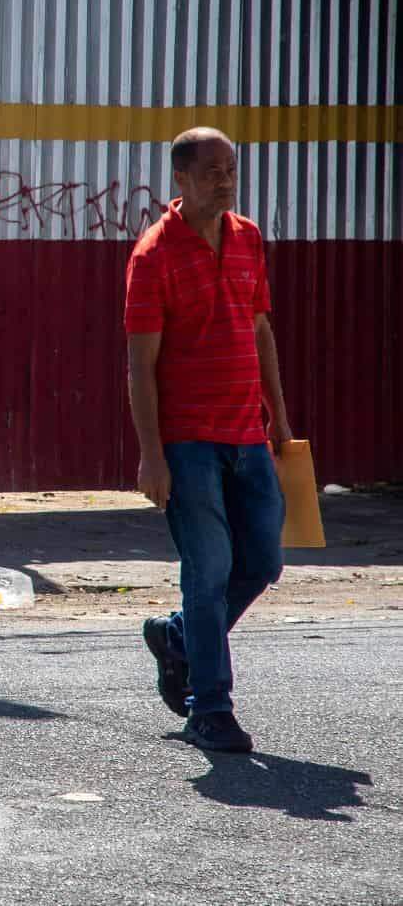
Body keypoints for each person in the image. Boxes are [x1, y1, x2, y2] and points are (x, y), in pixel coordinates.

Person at [125, 126, 292, 754]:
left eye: (230, 169)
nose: (224, 180)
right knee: (209, 571)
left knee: (264, 561)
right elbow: (141, 363)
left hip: (248, 432)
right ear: (181, 179)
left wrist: (277, 414)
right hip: (189, 441)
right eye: (212, 171)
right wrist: (151, 454)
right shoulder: (154, 255)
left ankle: (177, 638)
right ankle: (209, 709)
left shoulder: (247, 238)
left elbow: (259, 328)